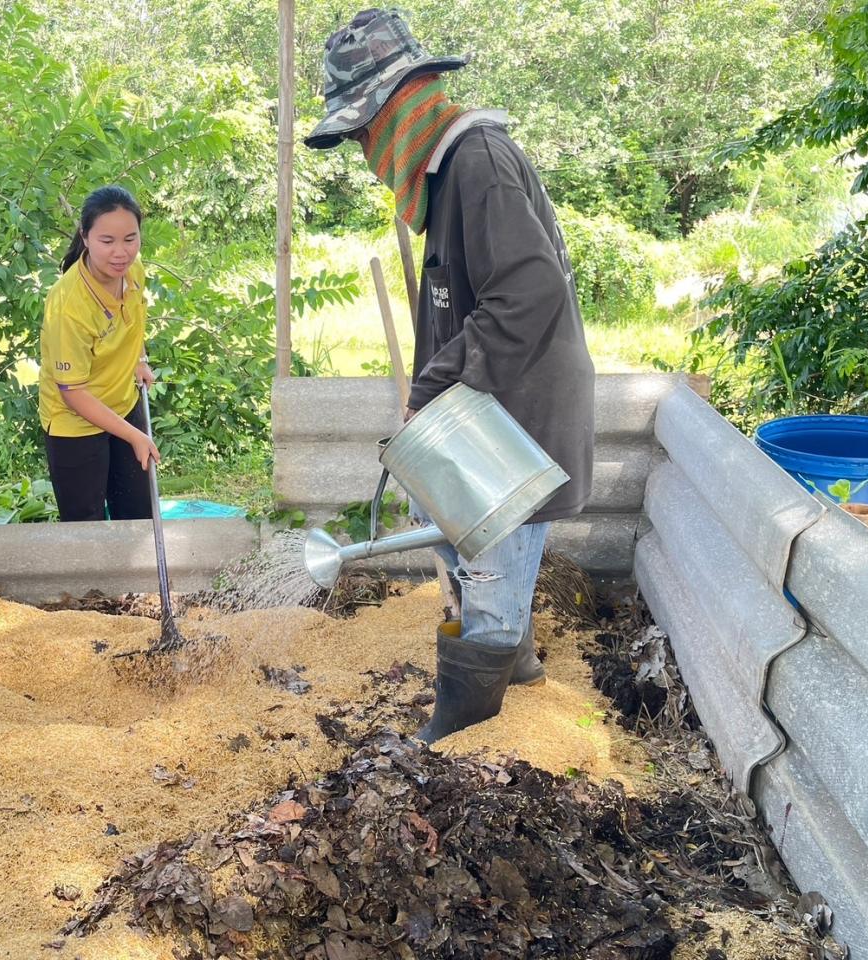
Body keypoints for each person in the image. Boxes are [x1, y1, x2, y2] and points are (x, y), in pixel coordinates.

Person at [305, 9, 595, 742]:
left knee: (490, 562)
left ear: (399, 104)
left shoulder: (478, 163)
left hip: (516, 412)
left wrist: (433, 389)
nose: (365, 150)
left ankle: (464, 733)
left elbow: (529, 295)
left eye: (364, 130)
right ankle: (516, 668)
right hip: (484, 406)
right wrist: (426, 400)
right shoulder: (444, 173)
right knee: (454, 540)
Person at [39, 186, 158, 522]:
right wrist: (136, 435)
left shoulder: (133, 272)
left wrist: (139, 359)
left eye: (130, 239)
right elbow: (72, 392)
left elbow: (132, 320)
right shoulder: (68, 305)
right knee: (85, 524)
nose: (121, 252)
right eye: (107, 241)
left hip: (123, 403)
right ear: (85, 237)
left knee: (137, 514)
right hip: (74, 424)